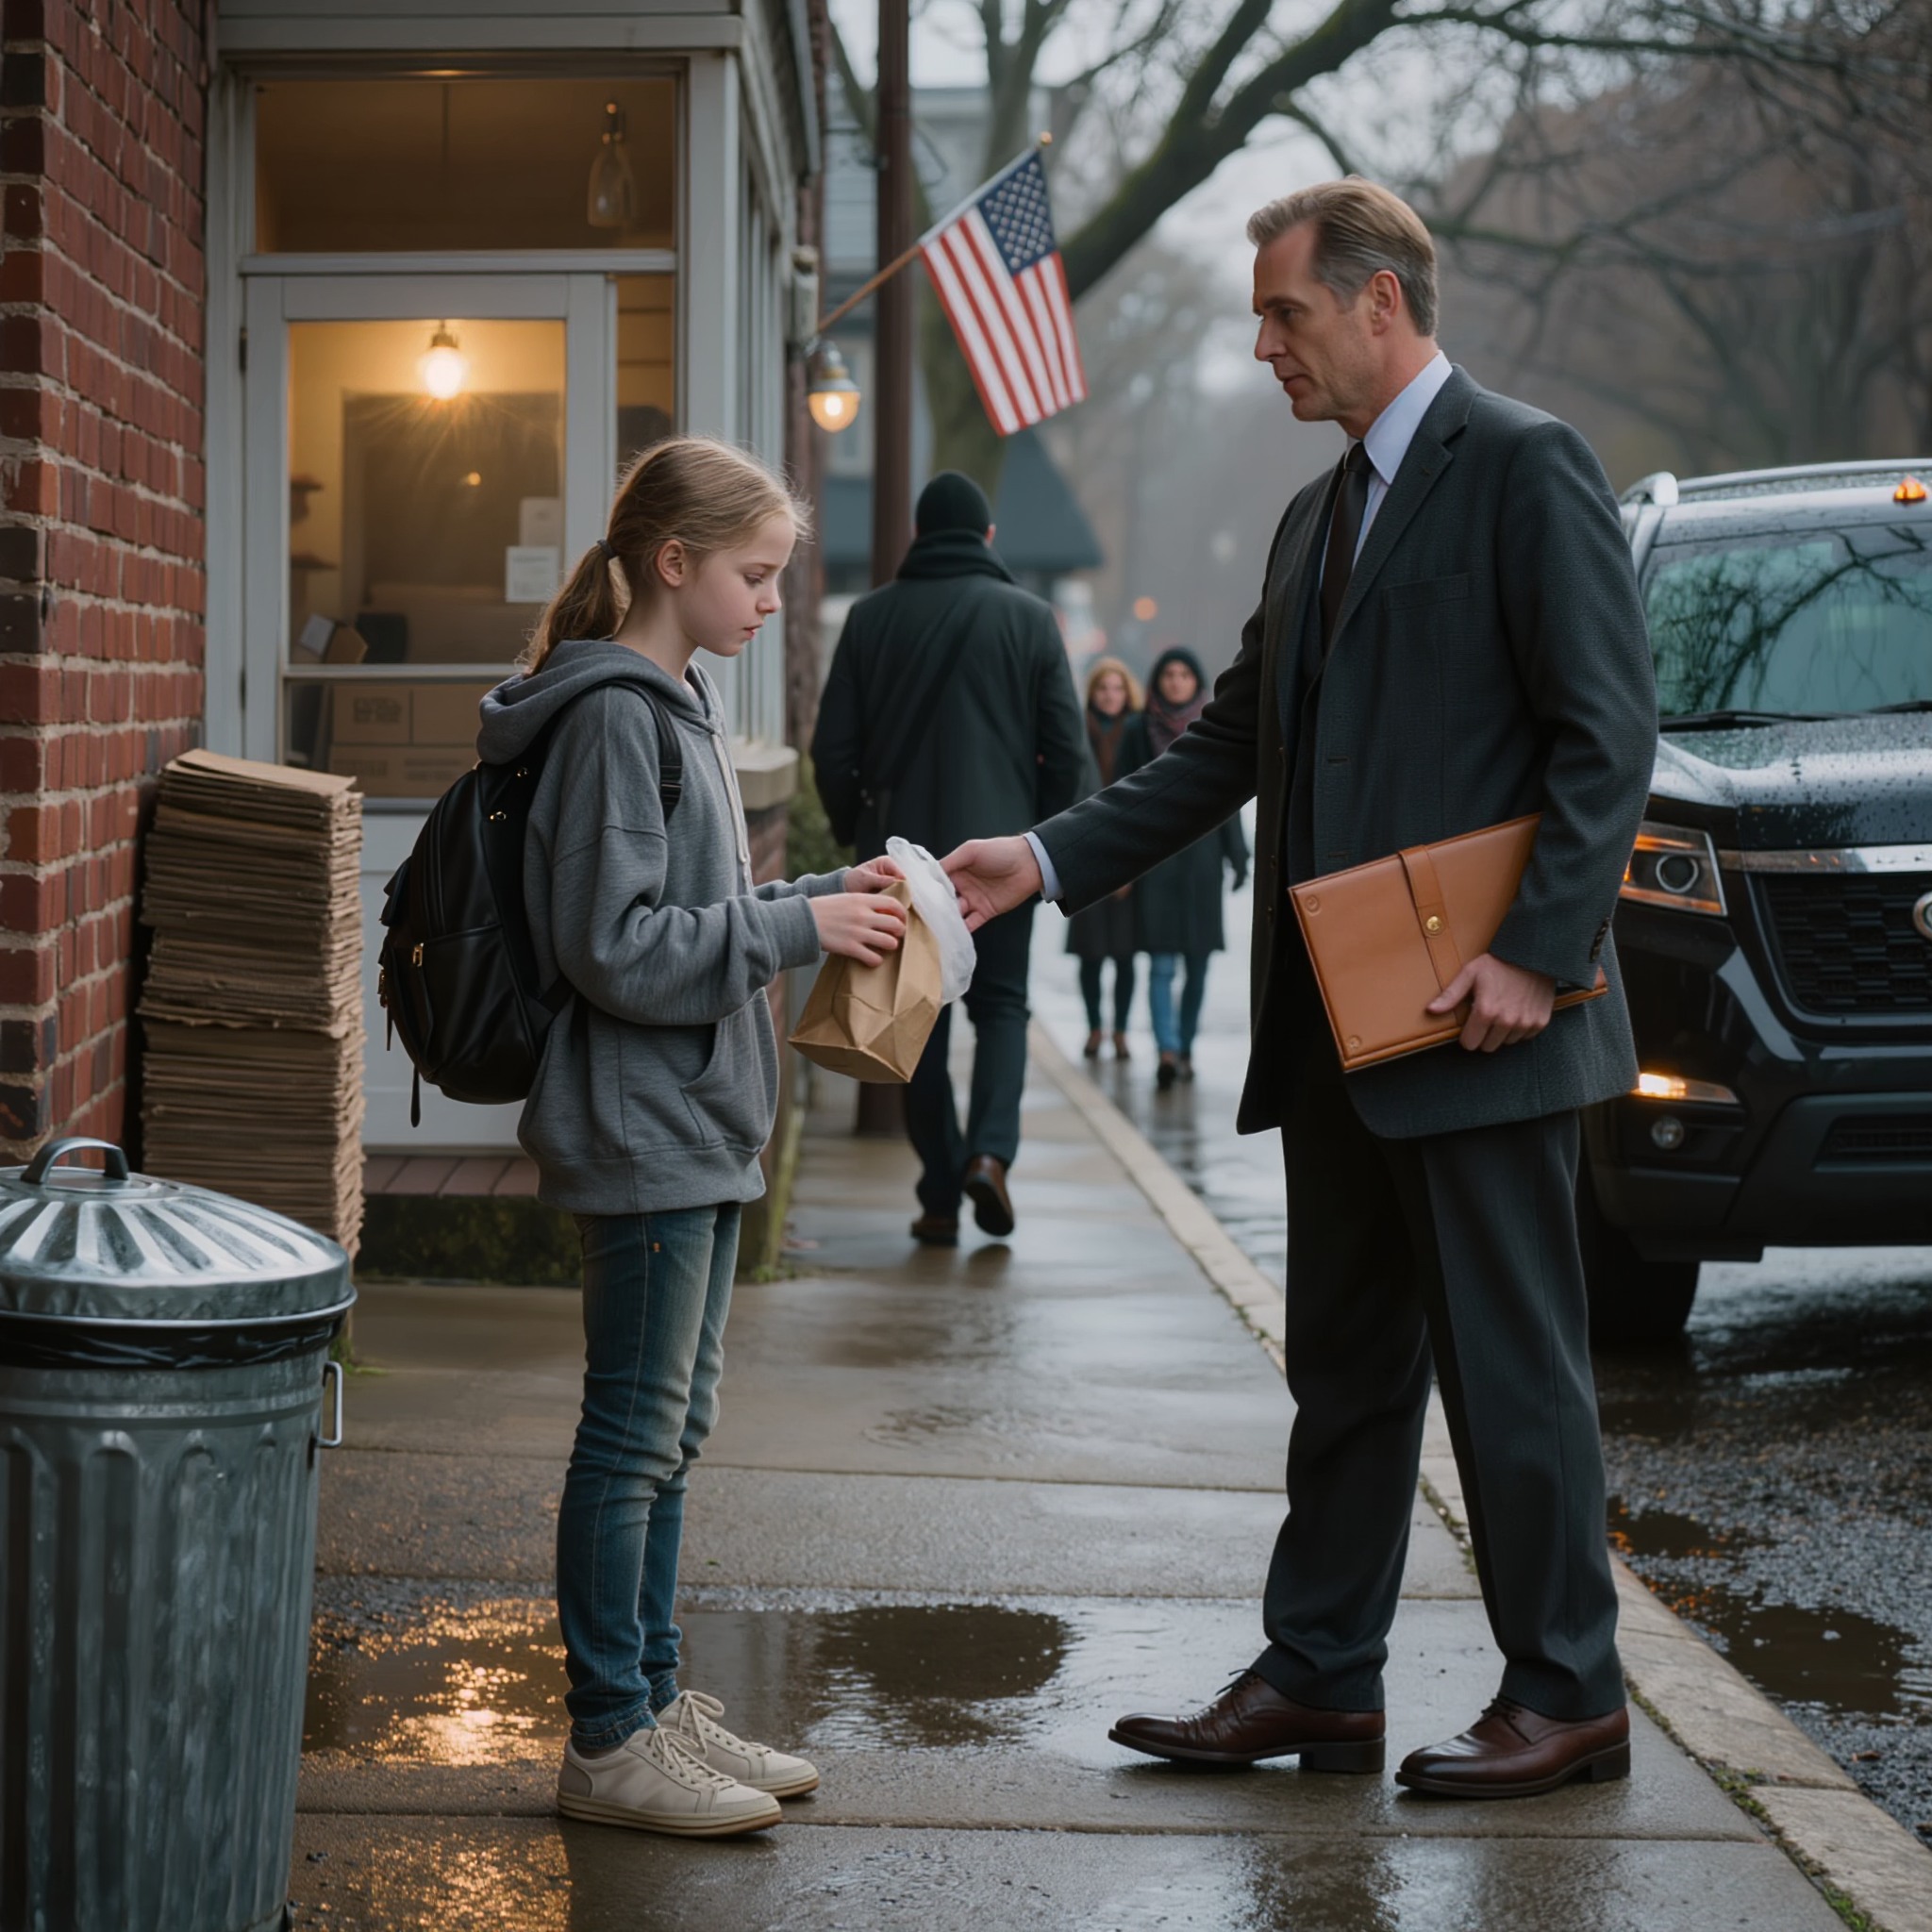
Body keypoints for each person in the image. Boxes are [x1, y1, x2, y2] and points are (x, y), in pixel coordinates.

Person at [944, 178, 1656, 1798]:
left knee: (1508, 1372)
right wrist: (1039, 860)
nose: (1263, 344)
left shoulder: (1525, 466)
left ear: (1380, 302)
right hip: (1338, 1024)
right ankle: (1320, 1676)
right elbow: (1220, 751)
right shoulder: (1313, 514)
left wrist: (1535, 953)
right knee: (1342, 1368)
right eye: (1261, 318)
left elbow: (1605, 733)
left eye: (1284, 312)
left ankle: (1568, 1689)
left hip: (1482, 1015)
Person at [476, 437, 909, 1838]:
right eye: (756, 572)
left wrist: (846, 888)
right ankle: (608, 1740)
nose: (774, 597)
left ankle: (652, 1701)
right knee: (632, 1436)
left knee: (673, 1433)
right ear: (675, 563)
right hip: (643, 1130)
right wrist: (799, 925)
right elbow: (615, 946)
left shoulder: (678, 701)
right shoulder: (612, 717)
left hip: (701, 1129)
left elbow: (704, 905)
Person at [812, 471, 1086, 1247]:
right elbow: (1065, 753)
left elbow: (832, 750)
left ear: (919, 537)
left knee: (913, 1019)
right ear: (989, 539)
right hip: (1000, 862)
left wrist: (855, 834)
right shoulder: (1032, 620)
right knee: (1001, 1009)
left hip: (899, 863)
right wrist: (1043, 844)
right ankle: (991, 1158)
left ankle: (937, 1190)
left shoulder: (869, 619)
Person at [1119, 647, 1250, 1088]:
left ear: (1196, 680)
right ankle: (1167, 1050)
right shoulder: (1138, 730)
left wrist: (1238, 856)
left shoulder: (1209, 727)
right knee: (1160, 965)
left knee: (1197, 966)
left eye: (1184, 674)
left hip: (1202, 863)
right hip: (1154, 860)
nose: (1176, 681)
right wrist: (1118, 865)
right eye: (1168, 674)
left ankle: (1187, 1045)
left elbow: (1226, 794)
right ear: (1157, 680)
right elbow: (1116, 799)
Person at [1064, 657, 1142, 1059]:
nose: (1110, 696)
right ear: (1092, 693)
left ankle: (1122, 1032)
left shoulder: (1139, 731)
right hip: (1086, 855)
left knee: (1126, 955)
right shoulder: (1079, 732)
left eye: (1117, 688)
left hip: (1130, 855)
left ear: (1127, 691)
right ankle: (1095, 1027)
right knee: (1091, 953)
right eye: (1102, 689)